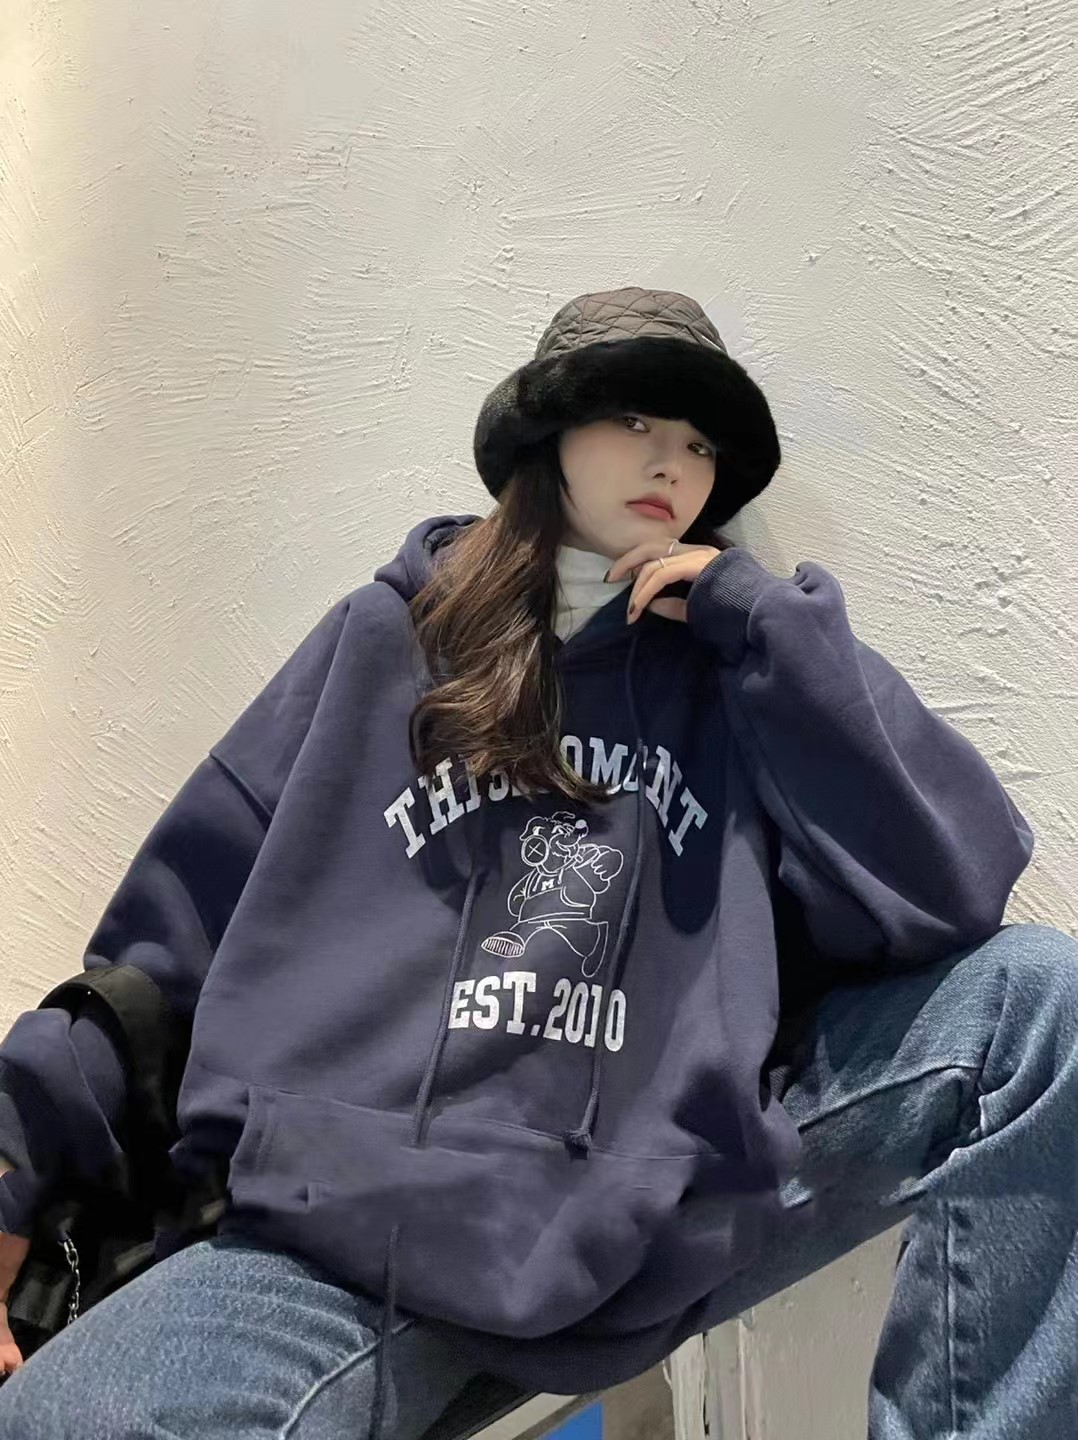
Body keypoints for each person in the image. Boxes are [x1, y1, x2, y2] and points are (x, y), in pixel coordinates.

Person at [0, 285, 1072, 1440]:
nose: (669, 463)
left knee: (1036, 1002)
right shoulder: (387, 640)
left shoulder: (739, 670)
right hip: (350, 1232)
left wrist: (769, 631)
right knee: (78, 1420)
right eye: (634, 419)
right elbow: (167, 949)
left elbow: (945, 893)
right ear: (549, 436)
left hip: (654, 1202)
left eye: (699, 443)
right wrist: (13, 1153)